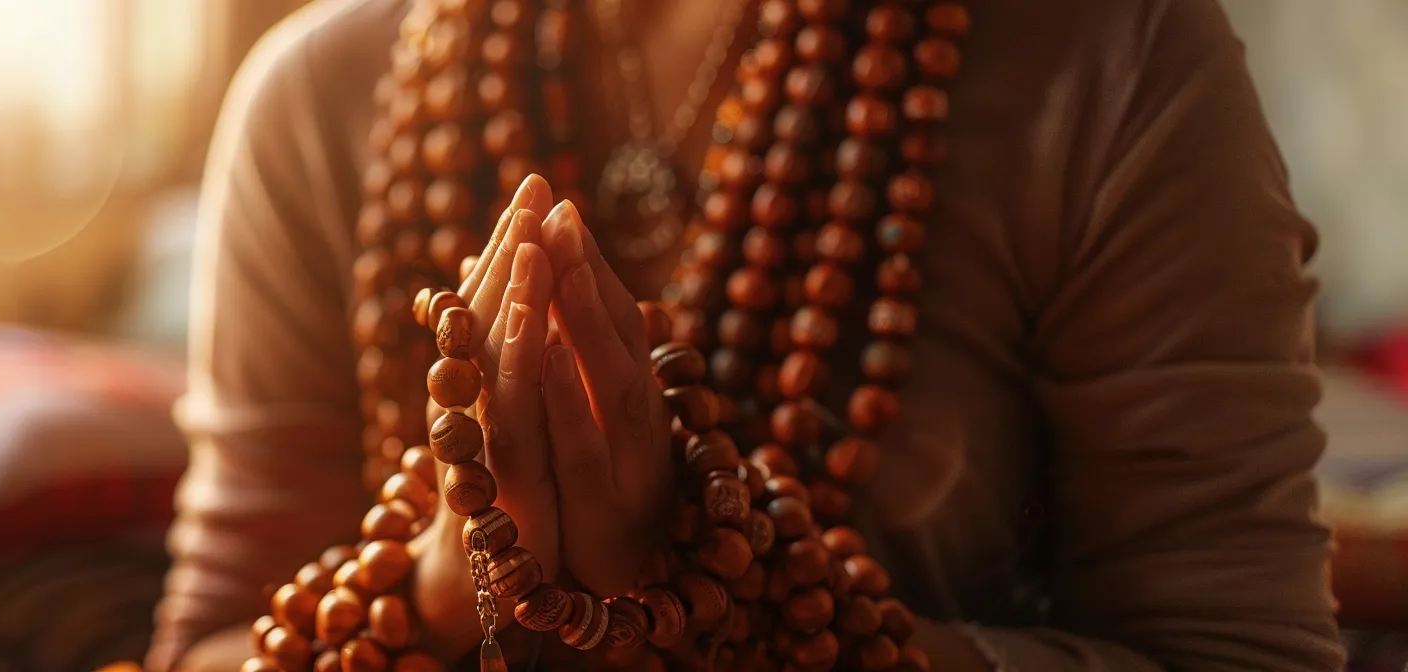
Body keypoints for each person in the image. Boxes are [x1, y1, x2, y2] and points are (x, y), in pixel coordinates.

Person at [147, 0, 1345, 669]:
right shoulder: (318, 94)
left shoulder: (1109, 58)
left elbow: (1238, 656)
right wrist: (447, 583)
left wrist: (731, 599)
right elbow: (206, 645)